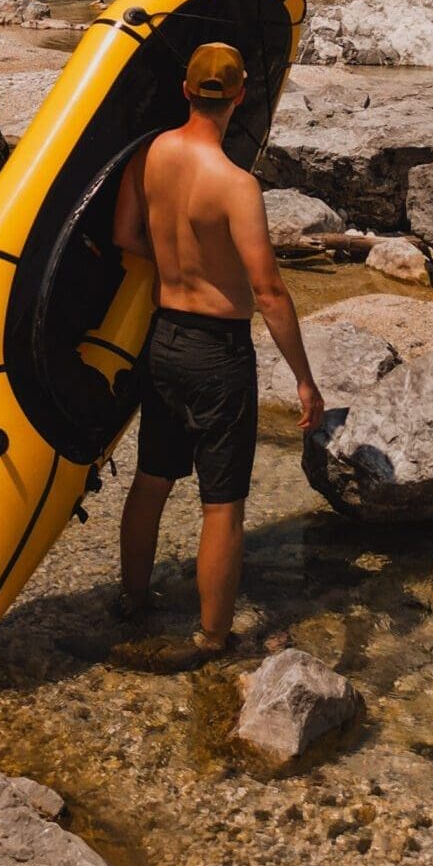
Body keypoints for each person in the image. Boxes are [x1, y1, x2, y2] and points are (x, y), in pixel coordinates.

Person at [111, 40, 323, 653]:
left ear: (185, 90)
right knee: (222, 503)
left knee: (152, 480)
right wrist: (305, 380)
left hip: (162, 339)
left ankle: (133, 599)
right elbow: (270, 291)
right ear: (238, 96)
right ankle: (212, 638)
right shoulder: (235, 185)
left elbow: (127, 234)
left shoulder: (147, 156)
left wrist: (179, 265)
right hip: (218, 354)